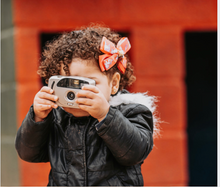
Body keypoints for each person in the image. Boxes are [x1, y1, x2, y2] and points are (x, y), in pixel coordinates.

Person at [15, 25, 160, 186]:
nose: (77, 93)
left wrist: (105, 115)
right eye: (67, 84)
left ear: (114, 83)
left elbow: (135, 153)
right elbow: (28, 153)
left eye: (87, 83)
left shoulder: (131, 112)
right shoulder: (56, 117)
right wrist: (37, 118)